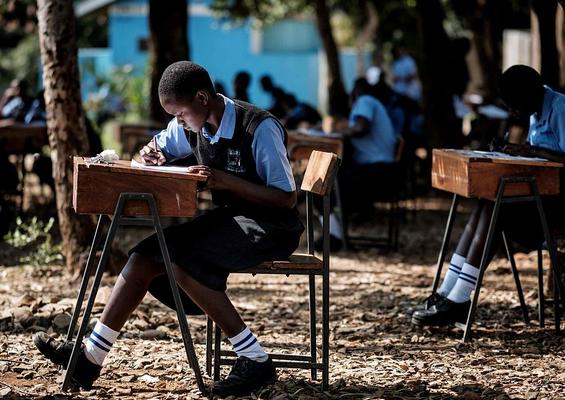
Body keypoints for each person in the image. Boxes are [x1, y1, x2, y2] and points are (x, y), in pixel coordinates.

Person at [33, 61, 304, 397]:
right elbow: (158, 148)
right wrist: (150, 156)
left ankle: (254, 358)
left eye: (180, 113)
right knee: (144, 256)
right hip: (230, 219)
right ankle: (91, 356)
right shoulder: (192, 124)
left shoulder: (258, 127)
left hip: (271, 226)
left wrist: (223, 180)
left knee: (182, 260)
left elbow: (286, 197)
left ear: (203, 98)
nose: (177, 121)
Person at [409, 65, 565, 326]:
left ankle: (460, 299)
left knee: (495, 208)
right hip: (547, 197)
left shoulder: (561, 109)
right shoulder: (538, 108)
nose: (512, 111)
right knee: (484, 203)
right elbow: (541, 154)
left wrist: (530, 151)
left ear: (530, 96)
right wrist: (513, 151)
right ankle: (447, 293)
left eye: (514, 105)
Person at [318, 78, 399, 251]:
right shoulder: (375, 104)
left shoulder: (365, 101)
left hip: (378, 173)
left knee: (321, 182)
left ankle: (334, 237)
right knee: (325, 181)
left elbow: (361, 127)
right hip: (383, 171)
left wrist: (339, 132)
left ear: (353, 95)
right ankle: (334, 235)